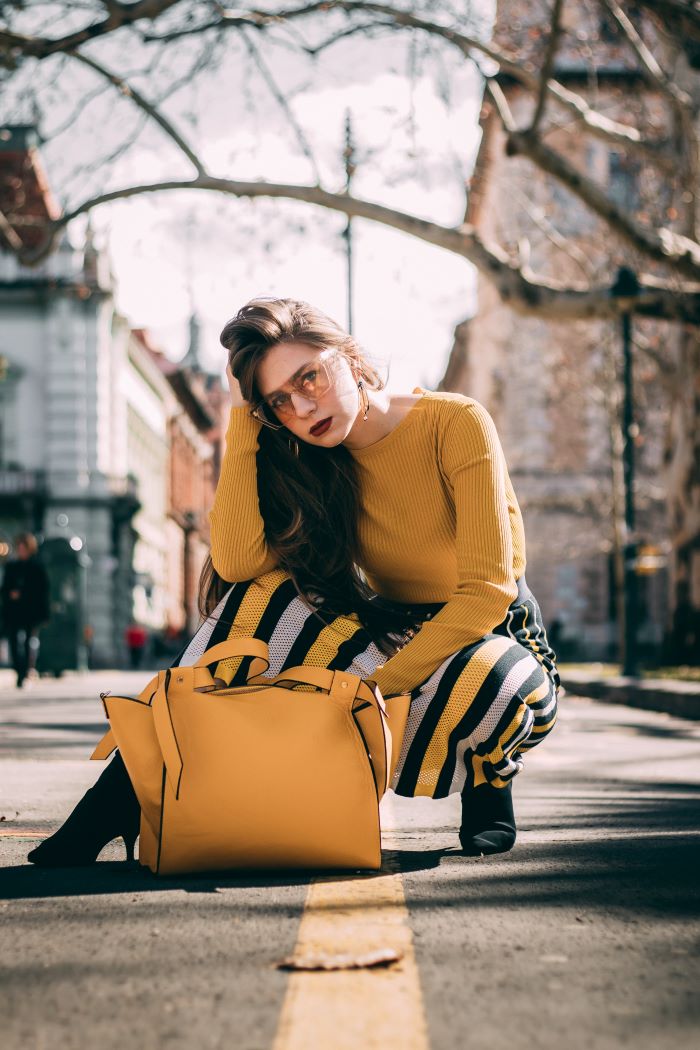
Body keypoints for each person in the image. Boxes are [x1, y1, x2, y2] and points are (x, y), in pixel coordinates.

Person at [27, 297, 560, 868]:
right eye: (278, 400)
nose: (302, 406)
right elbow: (237, 563)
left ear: (348, 356)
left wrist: (372, 692)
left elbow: (486, 592)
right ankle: (120, 795)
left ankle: (491, 773)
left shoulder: (455, 422)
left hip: (494, 637)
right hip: (395, 630)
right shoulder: (307, 457)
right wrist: (241, 418)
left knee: (494, 683)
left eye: (310, 376)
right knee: (261, 596)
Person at [1, 532, 50, 688]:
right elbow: (4, 588)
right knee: (14, 641)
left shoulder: (36, 567)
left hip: (30, 611)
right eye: (19, 548)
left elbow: (42, 590)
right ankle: (19, 670)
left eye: (24, 548)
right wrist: (10, 594)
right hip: (14, 611)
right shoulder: (12, 566)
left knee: (29, 641)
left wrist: (24, 594)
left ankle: (27, 668)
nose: (21, 551)